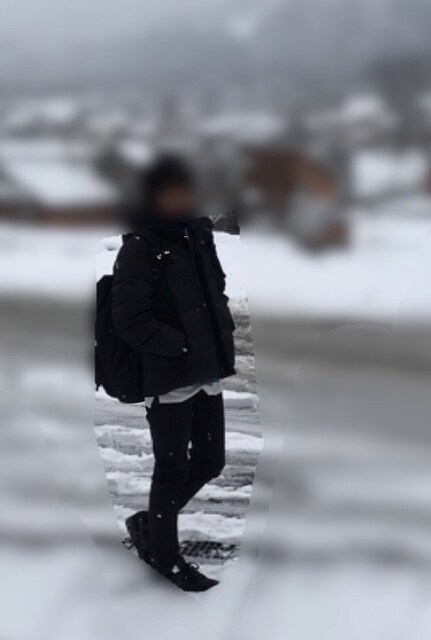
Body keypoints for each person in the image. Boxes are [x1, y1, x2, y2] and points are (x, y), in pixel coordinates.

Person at [111, 155, 236, 592]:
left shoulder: (197, 233)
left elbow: (216, 290)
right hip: (168, 377)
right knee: (171, 469)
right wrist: (181, 346)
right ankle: (164, 557)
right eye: (171, 192)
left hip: (206, 370)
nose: (180, 199)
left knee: (211, 461)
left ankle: (150, 522)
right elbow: (129, 320)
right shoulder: (140, 246)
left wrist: (218, 335)